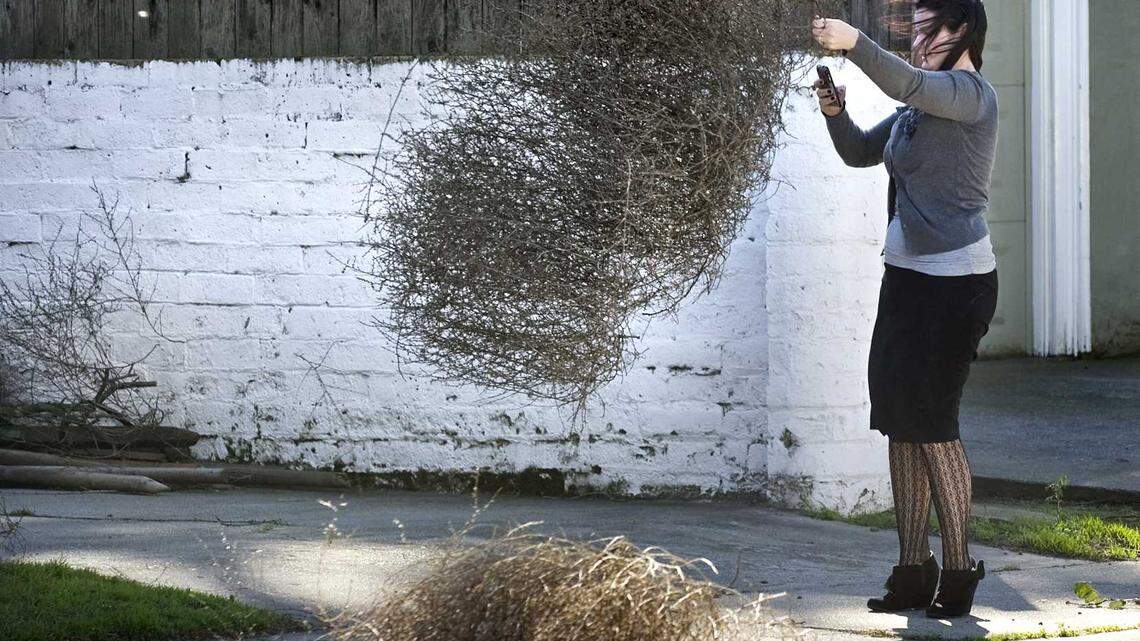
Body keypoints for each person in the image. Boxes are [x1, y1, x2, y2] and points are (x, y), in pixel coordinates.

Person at [810, 0, 996, 619]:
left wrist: (855, 42)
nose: (916, 41)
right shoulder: (917, 110)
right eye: (912, 30)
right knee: (900, 424)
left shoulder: (969, 96)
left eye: (926, 30)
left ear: (960, 31)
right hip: (907, 281)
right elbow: (861, 151)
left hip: (956, 287)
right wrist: (836, 114)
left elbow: (910, 82)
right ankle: (914, 570)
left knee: (934, 426)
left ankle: (959, 570)